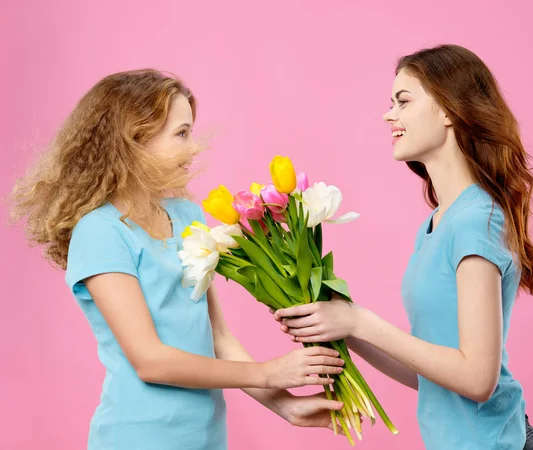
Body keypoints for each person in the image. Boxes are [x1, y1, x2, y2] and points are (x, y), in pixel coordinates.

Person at [10, 69, 346, 450]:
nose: (194, 148)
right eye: (182, 133)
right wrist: (269, 373)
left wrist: (284, 405)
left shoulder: (187, 215)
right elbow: (150, 360)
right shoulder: (100, 232)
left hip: (205, 437)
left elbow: (217, 336)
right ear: (135, 139)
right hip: (138, 438)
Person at [273, 45, 533, 450]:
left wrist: (359, 321)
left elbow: (477, 379)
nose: (389, 115)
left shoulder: (474, 221)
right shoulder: (437, 223)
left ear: (449, 110)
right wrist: (341, 329)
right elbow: (432, 376)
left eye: (403, 101)